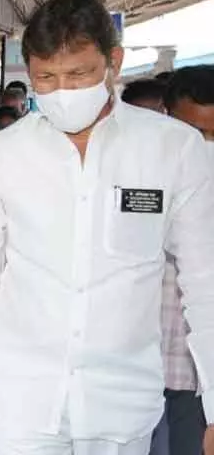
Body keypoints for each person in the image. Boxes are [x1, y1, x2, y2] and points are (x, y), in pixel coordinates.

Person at [0, 0, 214, 455]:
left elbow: (205, 283)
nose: (62, 91)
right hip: (22, 399)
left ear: (114, 62)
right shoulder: (3, 155)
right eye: (46, 77)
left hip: (122, 403)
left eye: (79, 74)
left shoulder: (173, 149)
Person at [147, 65, 214, 455]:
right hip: (140, 364)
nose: (205, 146)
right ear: (168, 118)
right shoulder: (140, 174)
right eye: (195, 133)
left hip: (199, 375)